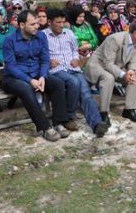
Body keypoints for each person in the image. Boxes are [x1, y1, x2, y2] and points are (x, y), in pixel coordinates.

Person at [2, 10, 70, 141]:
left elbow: (45, 60)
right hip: (14, 78)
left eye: (37, 23)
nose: (37, 27)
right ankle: (44, 128)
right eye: (33, 24)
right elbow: (11, 67)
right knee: (26, 88)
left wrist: (43, 76)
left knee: (58, 83)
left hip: (37, 76)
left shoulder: (41, 36)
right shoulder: (9, 41)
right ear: (22, 25)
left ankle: (58, 123)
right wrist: (29, 80)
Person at [43, 9, 108, 137]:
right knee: (73, 82)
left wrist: (75, 58)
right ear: (50, 22)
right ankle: (69, 117)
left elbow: (74, 50)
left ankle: (96, 124)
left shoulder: (69, 33)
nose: (61, 25)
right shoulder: (43, 36)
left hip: (73, 67)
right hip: (57, 70)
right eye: (58, 22)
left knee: (86, 93)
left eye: (63, 22)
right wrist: (48, 61)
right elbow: (39, 54)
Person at [84, 21, 136, 125]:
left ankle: (129, 110)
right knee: (109, 78)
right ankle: (103, 112)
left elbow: (133, 62)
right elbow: (107, 63)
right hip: (97, 65)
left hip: (115, 67)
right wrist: (123, 74)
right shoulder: (115, 39)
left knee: (133, 76)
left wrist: (131, 71)